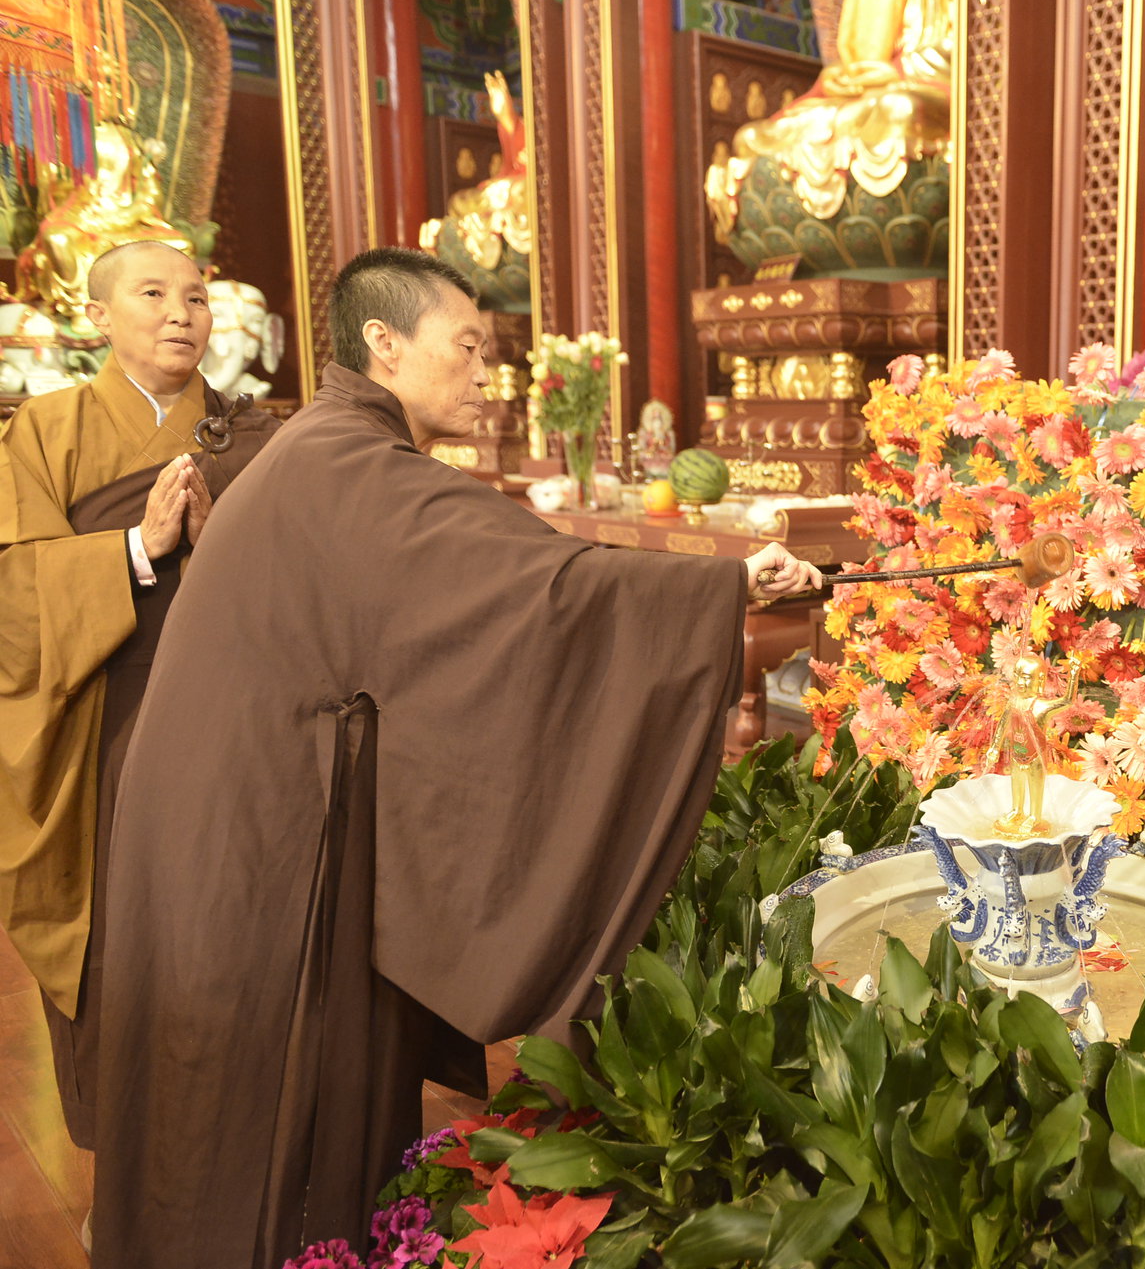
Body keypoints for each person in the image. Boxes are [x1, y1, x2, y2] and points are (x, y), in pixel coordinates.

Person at [90, 247, 822, 1268]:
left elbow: (505, 580)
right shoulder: (349, 466)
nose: (487, 374)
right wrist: (722, 588)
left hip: (246, 808)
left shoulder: (335, 449)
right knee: (256, 1100)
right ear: (386, 346)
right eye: (468, 347)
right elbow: (541, 589)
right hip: (253, 835)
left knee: (262, 1094)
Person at [0, 240, 277, 1164]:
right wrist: (135, 548)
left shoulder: (256, 435)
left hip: (233, 726)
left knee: (235, 922)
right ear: (99, 316)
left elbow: (308, 579)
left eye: (196, 296)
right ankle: (129, 1166)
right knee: (122, 938)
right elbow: (11, 592)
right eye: (153, 293)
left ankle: (243, 1152)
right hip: (102, 725)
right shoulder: (43, 430)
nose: (180, 313)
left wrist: (224, 545)